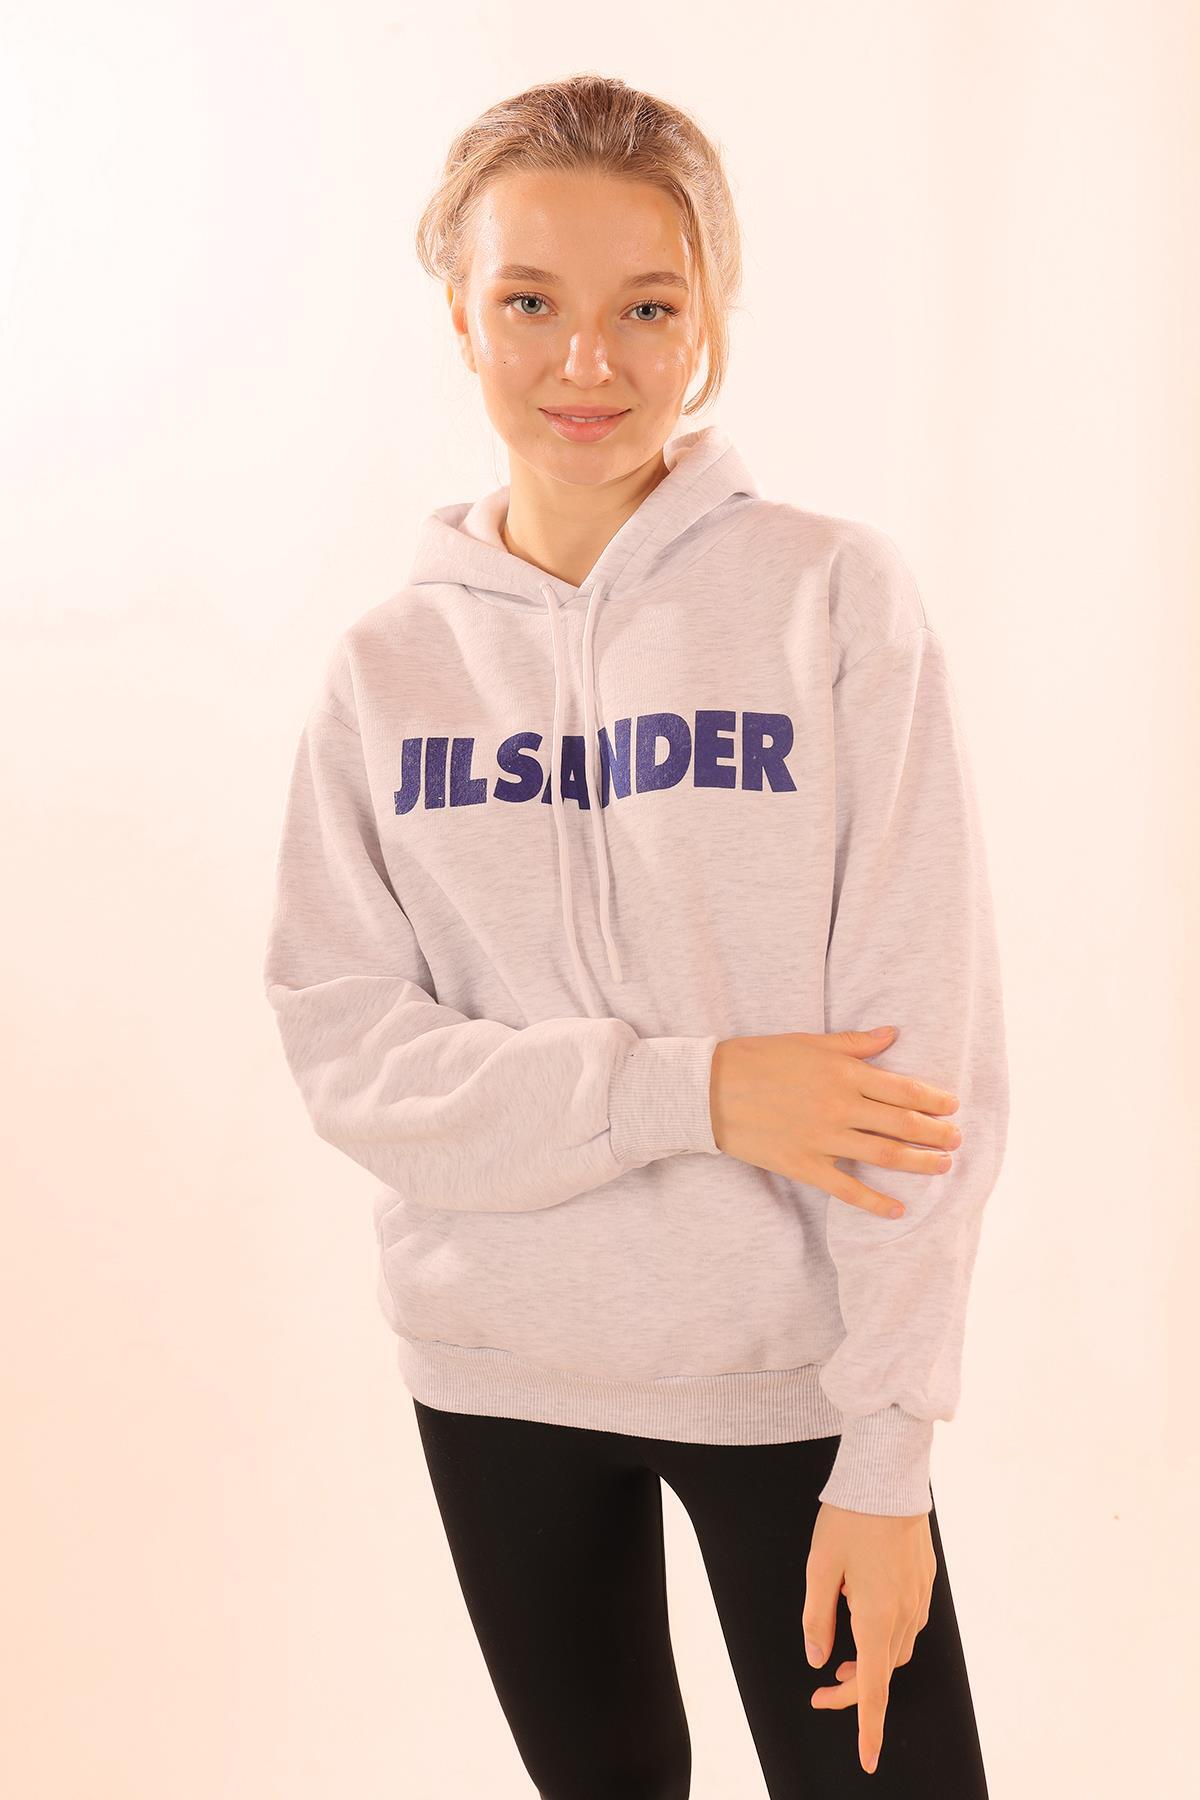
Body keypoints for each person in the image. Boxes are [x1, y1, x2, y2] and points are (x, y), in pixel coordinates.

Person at [262, 73, 1010, 1798]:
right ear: (462, 316)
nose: (586, 361)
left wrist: (890, 1448)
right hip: (494, 1379)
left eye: (648, 308)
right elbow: (346, 1048)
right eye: (531, 301)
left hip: (791, 1384)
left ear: (713, 321)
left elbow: (922, 1051)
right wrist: (699, 1089)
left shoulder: (834, 598)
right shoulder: (386, 670)